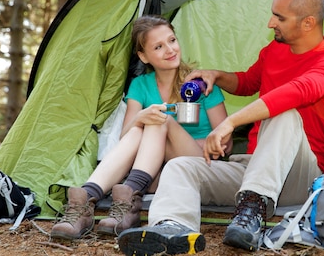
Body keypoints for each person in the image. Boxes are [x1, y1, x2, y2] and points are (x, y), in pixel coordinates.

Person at [117, 0, 324, 256]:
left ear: (308, 23)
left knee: (284, 113)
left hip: (299, 176)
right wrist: (215, 75)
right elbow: (248, 82)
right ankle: (172, 227)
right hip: (254, 169)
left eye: (279, 17)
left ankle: (251, 211)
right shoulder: (274, 50)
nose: (270, 23)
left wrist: (229, 123)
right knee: (181, 167)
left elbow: (295, 93)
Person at [51, 15, 231, 240]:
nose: (170, 49)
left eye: (172, 40)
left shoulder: (200, 84)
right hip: (155, 171)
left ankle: (126, 200)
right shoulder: (140, 85)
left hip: (200, 164)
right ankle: (86, 202)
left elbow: (226, 143)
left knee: (159, 120)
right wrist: (141, 117)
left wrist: (173, 134)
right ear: (143, 56)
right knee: (143, 124)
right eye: (158, 46)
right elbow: (128, 136)